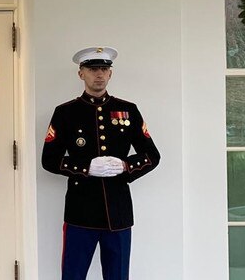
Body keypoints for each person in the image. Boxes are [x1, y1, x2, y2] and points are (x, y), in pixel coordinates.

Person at [41, 46, 160, 280]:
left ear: (110, 74)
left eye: (104, 69)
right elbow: (49, 159)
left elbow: (152, 155)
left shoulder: (127, 110)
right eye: (93, 68)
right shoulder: (66, 113)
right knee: (73, 275)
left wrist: (126, 166)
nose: (99, 74)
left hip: (118, 211)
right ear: (81, 73)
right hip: (80, 212)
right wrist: (85, 168)